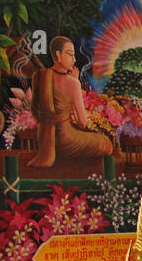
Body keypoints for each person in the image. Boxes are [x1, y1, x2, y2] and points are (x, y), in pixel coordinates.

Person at [28, 37, 113, 168]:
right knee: (106, 143)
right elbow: (83, 122)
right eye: (70, 54)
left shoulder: (40, 76)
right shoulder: (72, 83)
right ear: (58, 55)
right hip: (65, 141)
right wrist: (74, 85)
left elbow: (35, 110)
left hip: (44, 140)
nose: (74, 59)